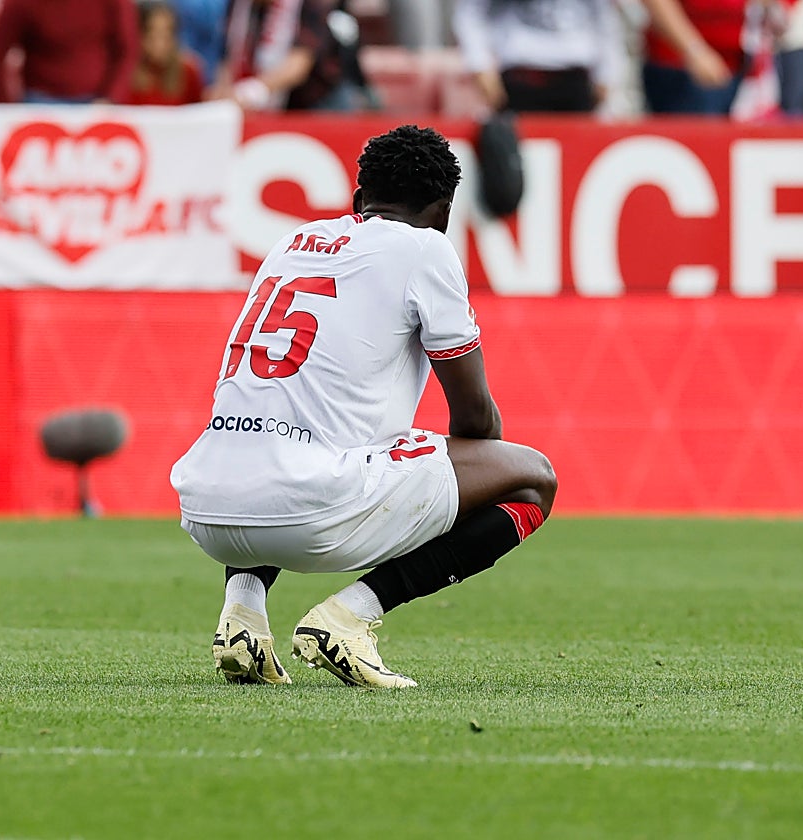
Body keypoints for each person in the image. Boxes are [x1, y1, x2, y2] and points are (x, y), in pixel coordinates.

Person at [170, 125, 556, 689]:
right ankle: (350, 617)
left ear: (358, 201)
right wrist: (475, 469)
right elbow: (474, 420)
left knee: (287, 427)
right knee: (532, 480)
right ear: (444, 210)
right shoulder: (426, 248)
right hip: (306, 509)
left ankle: (243, 614)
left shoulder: (292, 241)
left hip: (206, 507)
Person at [453, 0, 624, 113]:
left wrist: (606, 74)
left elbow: (605, 17)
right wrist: (480, 66)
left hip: (575, 80)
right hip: (520, 79)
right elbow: (470, 12)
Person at [215, 0, 364, 111]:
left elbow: (300, 62)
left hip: (319, 102)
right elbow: (228, 56)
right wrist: (224, 94)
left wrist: (250, 92)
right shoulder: (238, 7)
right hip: (271, 104)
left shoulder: (310, 5)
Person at [0, 0, 138, 104]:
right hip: (40, 103)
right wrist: (8, 110)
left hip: (96, 104)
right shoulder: (22, 4)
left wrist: (110, 98)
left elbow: (127, 50)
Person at [128, 1, 205, 106]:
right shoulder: (127, 74)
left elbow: (200, 114)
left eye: (166, 35)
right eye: (152, 35)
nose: (160, 43)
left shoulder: (189, 71)